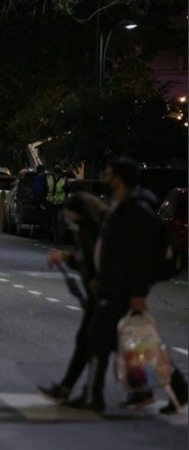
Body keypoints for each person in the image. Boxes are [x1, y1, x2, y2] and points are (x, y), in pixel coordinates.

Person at [66, 157, 188, 413]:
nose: (104, 178)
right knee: (136, 343)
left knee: (101, 340)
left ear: (119, 179)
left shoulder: (134, 211)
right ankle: (177, 386)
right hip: (113, 285)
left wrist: (136, 293)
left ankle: (93, 395)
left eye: (108, 174)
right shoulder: (123, 207)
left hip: (120, 289)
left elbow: (136, 258)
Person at [37, 192, 109, 403]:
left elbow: (98, 260)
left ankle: (89, 393)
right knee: (91, 342)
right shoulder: (88, 232)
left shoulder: (98, 233)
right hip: (98, 297)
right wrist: (66, 257)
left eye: (72, 217)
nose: (70, 222)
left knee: (119, 343)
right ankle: (70, 388)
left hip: (107, 297)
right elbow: (82, 260)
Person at [45, 164, 68, 244]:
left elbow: (66, 191)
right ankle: (56, 239)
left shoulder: (63, 179)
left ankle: (59, 239)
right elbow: (46, 189)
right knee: (55, 223)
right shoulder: (50, 178)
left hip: (60, 203)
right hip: (52, 203)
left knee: (60, 222)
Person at [31, 165, 49, 239]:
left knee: (42, 218)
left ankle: (46, 232)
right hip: (48, 201)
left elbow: (35, 191)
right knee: (46, 218)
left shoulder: (37, 180)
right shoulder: (47, 178)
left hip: (40, 202)